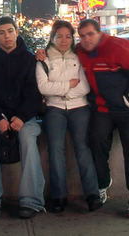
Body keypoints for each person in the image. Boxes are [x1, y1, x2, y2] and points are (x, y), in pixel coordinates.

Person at [77, 18, 129, 218]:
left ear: (99, 32)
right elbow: (59, 51)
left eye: (90, 34)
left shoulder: (118, 47)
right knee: (96, 142)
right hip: (102, 110)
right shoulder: (80, 52)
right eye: (82, 35)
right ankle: (102, 184)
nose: (87, 39)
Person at [0, 16, 44, 219]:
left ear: (17, 32)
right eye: (1, 32)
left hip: (25, 116)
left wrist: (21, 118)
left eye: (10, 31)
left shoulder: (30, 59)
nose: (7, 36)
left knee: (28, 140)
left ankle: (32, 201)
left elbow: (34, 94)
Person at [36, 20, 101, 213]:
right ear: (52, 38)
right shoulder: (44, 59)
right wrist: (67, 87)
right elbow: (43, 88)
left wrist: (63, 92)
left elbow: (84, 86)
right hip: (54, 109)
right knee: (55, 150)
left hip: (79, 107)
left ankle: (92, 194)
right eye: (59, 36)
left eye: (68, 36)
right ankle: (59, 196)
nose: (64, 40)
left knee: (82, 148)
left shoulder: (80, 56)